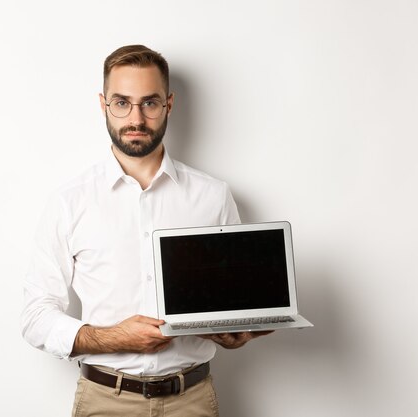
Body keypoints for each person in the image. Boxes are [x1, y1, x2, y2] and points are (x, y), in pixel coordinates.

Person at [21, 44, 272, 417]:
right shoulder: (69, 202)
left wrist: (237, 331)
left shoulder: (213, 196)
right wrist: (110, 338)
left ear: (169, 104)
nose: (135, 118)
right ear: (103, 104)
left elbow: (231, 304)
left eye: (149, 103)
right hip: (105, 400)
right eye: (122, 102)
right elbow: (36, 317)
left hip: (192, 400)